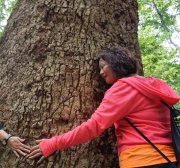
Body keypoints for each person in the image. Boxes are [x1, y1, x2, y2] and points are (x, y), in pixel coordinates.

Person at [27, 46, 180, 167]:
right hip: (170, 158)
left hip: (141, 160)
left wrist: (53, 143)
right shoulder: (155, 85)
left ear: (115, 63)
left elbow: (93, 126)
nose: (100, 72)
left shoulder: (123, 88)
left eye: (103, 66)